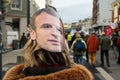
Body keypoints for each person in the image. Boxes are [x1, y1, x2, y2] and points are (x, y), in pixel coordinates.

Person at [3, 8, 93, 80]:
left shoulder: (18, 75)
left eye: (58, 29)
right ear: (33, 34)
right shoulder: (81, 76)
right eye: (46, 26)